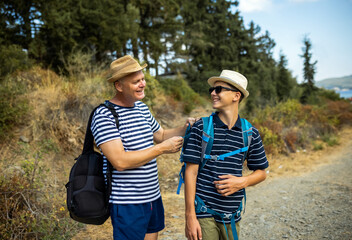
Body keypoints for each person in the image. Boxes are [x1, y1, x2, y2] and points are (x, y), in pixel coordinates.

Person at [91, 55, 196, 240]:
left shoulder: (141, 108)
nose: (142, 84)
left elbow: (161, 135)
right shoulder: (104, 116)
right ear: (119, 86)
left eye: (143, 79)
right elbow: (120, 162)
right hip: (127, 203)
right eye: (136, 81)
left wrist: (185, 127)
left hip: (152, 197)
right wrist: (162, 149)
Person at [183, 70, 269, 240]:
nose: (213, 93)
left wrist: (242, 182)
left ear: (236, 96)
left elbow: (261, 172)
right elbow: (190, 173)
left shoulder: (250, 133)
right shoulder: (201, 127)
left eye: (219, 89)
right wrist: (190, 216)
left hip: (232, 216)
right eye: (212, 90)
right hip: (203, 213)